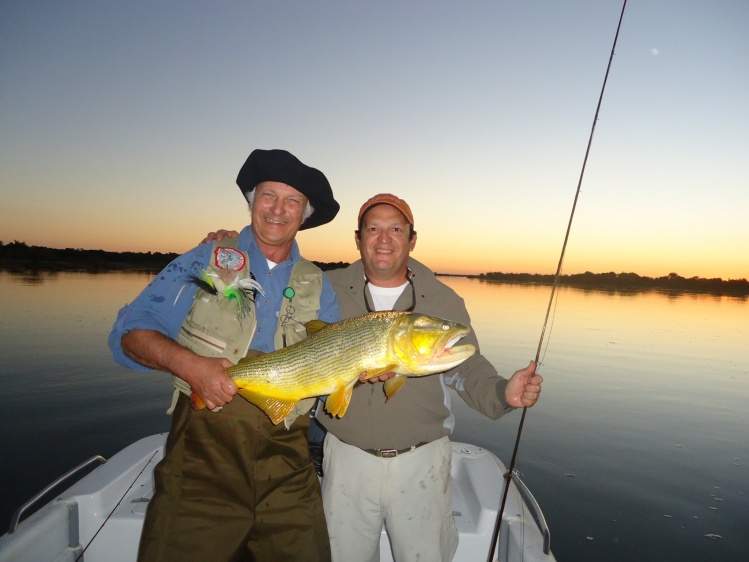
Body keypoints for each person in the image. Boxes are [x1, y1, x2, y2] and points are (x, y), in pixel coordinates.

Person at [204, 193, 543, 562]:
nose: (384, 238)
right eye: (373, 229)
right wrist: (232, 251)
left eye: (396, 229)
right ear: (358, 238)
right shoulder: (322, 286)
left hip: (423, 462)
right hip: (347, 460)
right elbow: (265, 288)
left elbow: (466, 365)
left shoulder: (443, 300)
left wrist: (502, 393)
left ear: (412, 240)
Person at [108, 149, 341, 562]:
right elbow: (127, 336)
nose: (278, 210)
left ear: (304, 215)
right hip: (201, 470)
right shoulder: (203, 259)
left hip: (288, 470)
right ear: (252, 200)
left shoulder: (320, 285)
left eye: (292, 202)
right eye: (269, 195)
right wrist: (190, 366)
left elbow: (332, 374)